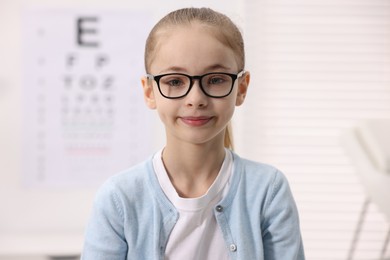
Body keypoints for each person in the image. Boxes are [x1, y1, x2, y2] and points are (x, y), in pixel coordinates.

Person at [81, 7, 305, 260]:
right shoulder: (119, 199)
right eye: (175, 81)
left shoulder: (268, 190)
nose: (196, 99)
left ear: (241, 88)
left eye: (216, 79)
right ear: (149, 91)